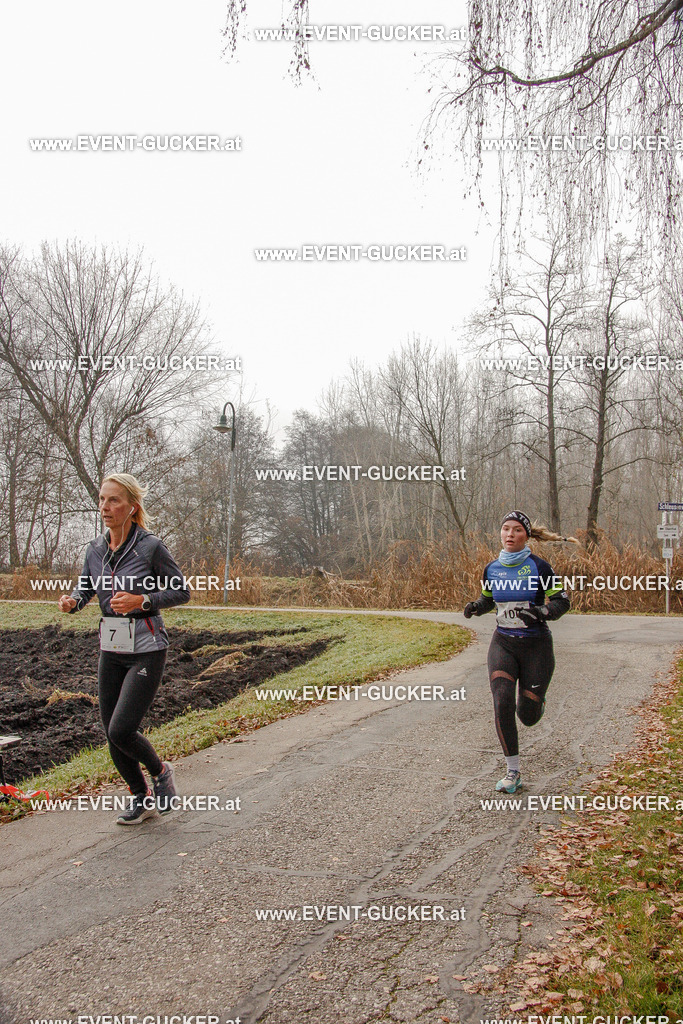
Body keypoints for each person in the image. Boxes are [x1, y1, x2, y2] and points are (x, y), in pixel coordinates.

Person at [59, 473, 190, 824]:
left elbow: (181, 591)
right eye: (102, 499)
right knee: (110, 732)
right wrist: (74, 600)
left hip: (147, 647)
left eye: (114, 500)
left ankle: (161, 772)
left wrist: (141, 600)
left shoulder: (150, 547)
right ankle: (139, 796)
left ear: (132, 507)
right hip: (111, 647)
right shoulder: (95, 549)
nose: (105, 507)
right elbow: (86, 587)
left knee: (121, 729)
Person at [463, 510, 576, 793]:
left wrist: (541, 611)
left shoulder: (540, 567)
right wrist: (476, 607)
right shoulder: (492, 569)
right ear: (500, 534)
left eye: (516, 530)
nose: (510, 535)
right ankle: (513, 771)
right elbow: (488, 599)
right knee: (502, 702)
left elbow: (562, 602)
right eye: (505, 529)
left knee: (527, 715)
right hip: (503, 643)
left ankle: (536, 702)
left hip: (536, 646)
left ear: (526, 536)